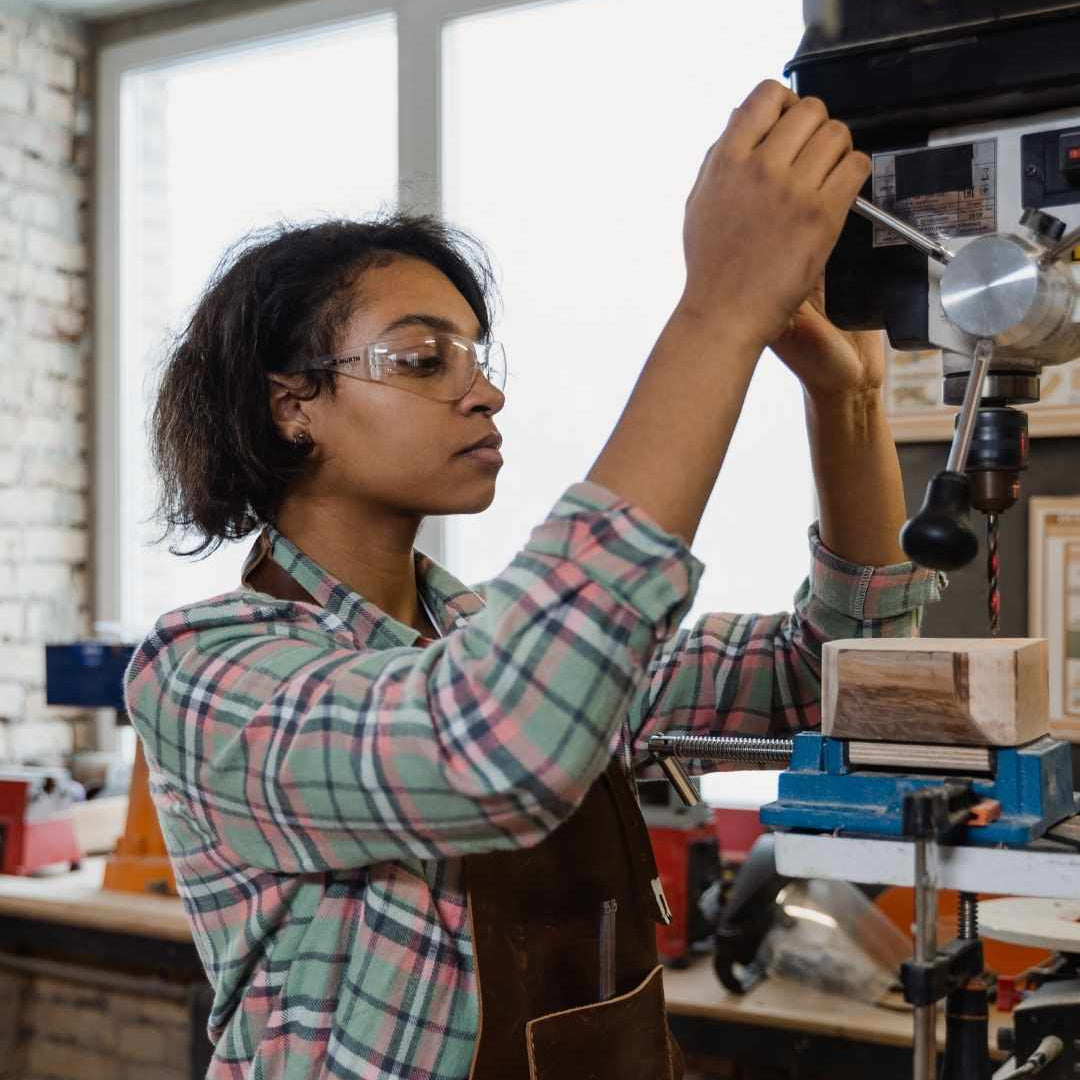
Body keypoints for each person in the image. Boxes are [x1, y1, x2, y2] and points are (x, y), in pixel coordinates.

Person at [125, 81, 943, 1080]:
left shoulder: (481, 634)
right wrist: (718, 314)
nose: (485, 388)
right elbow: (496, 741)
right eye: (424, 358)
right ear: (294, 405)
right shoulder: (204, 670)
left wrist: (846, 402)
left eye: (476, 352)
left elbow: (833, 680)